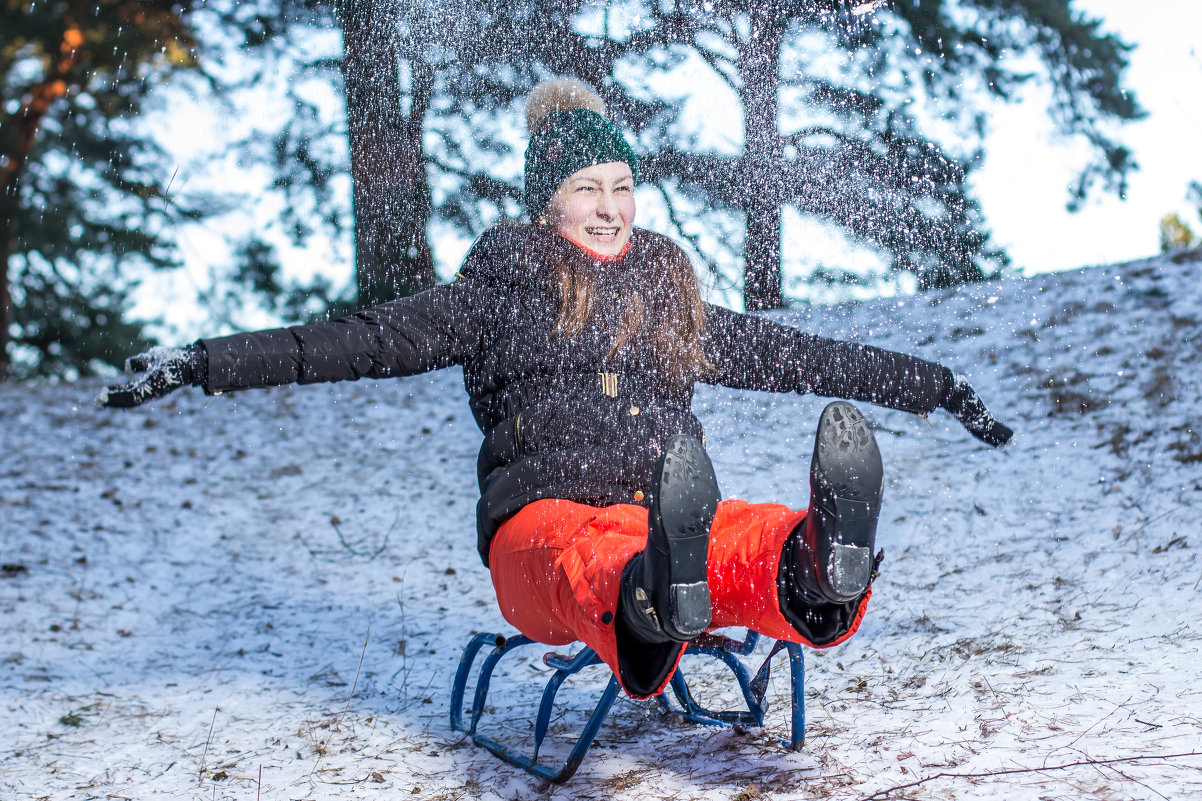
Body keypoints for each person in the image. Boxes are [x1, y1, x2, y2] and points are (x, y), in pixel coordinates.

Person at [101, 79, 1012, 697]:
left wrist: (933, 385)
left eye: (623, 184)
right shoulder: (496, 294)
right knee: (593, 556)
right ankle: (653, 596)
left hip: (664, 506)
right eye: (588, 187)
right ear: (550, 200)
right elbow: (354, 342)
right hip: (536, 525)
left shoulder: (668, 297)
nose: (612, 206)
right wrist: (205, 361)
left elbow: (802, 355)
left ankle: (814, 569)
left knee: (740, 531)